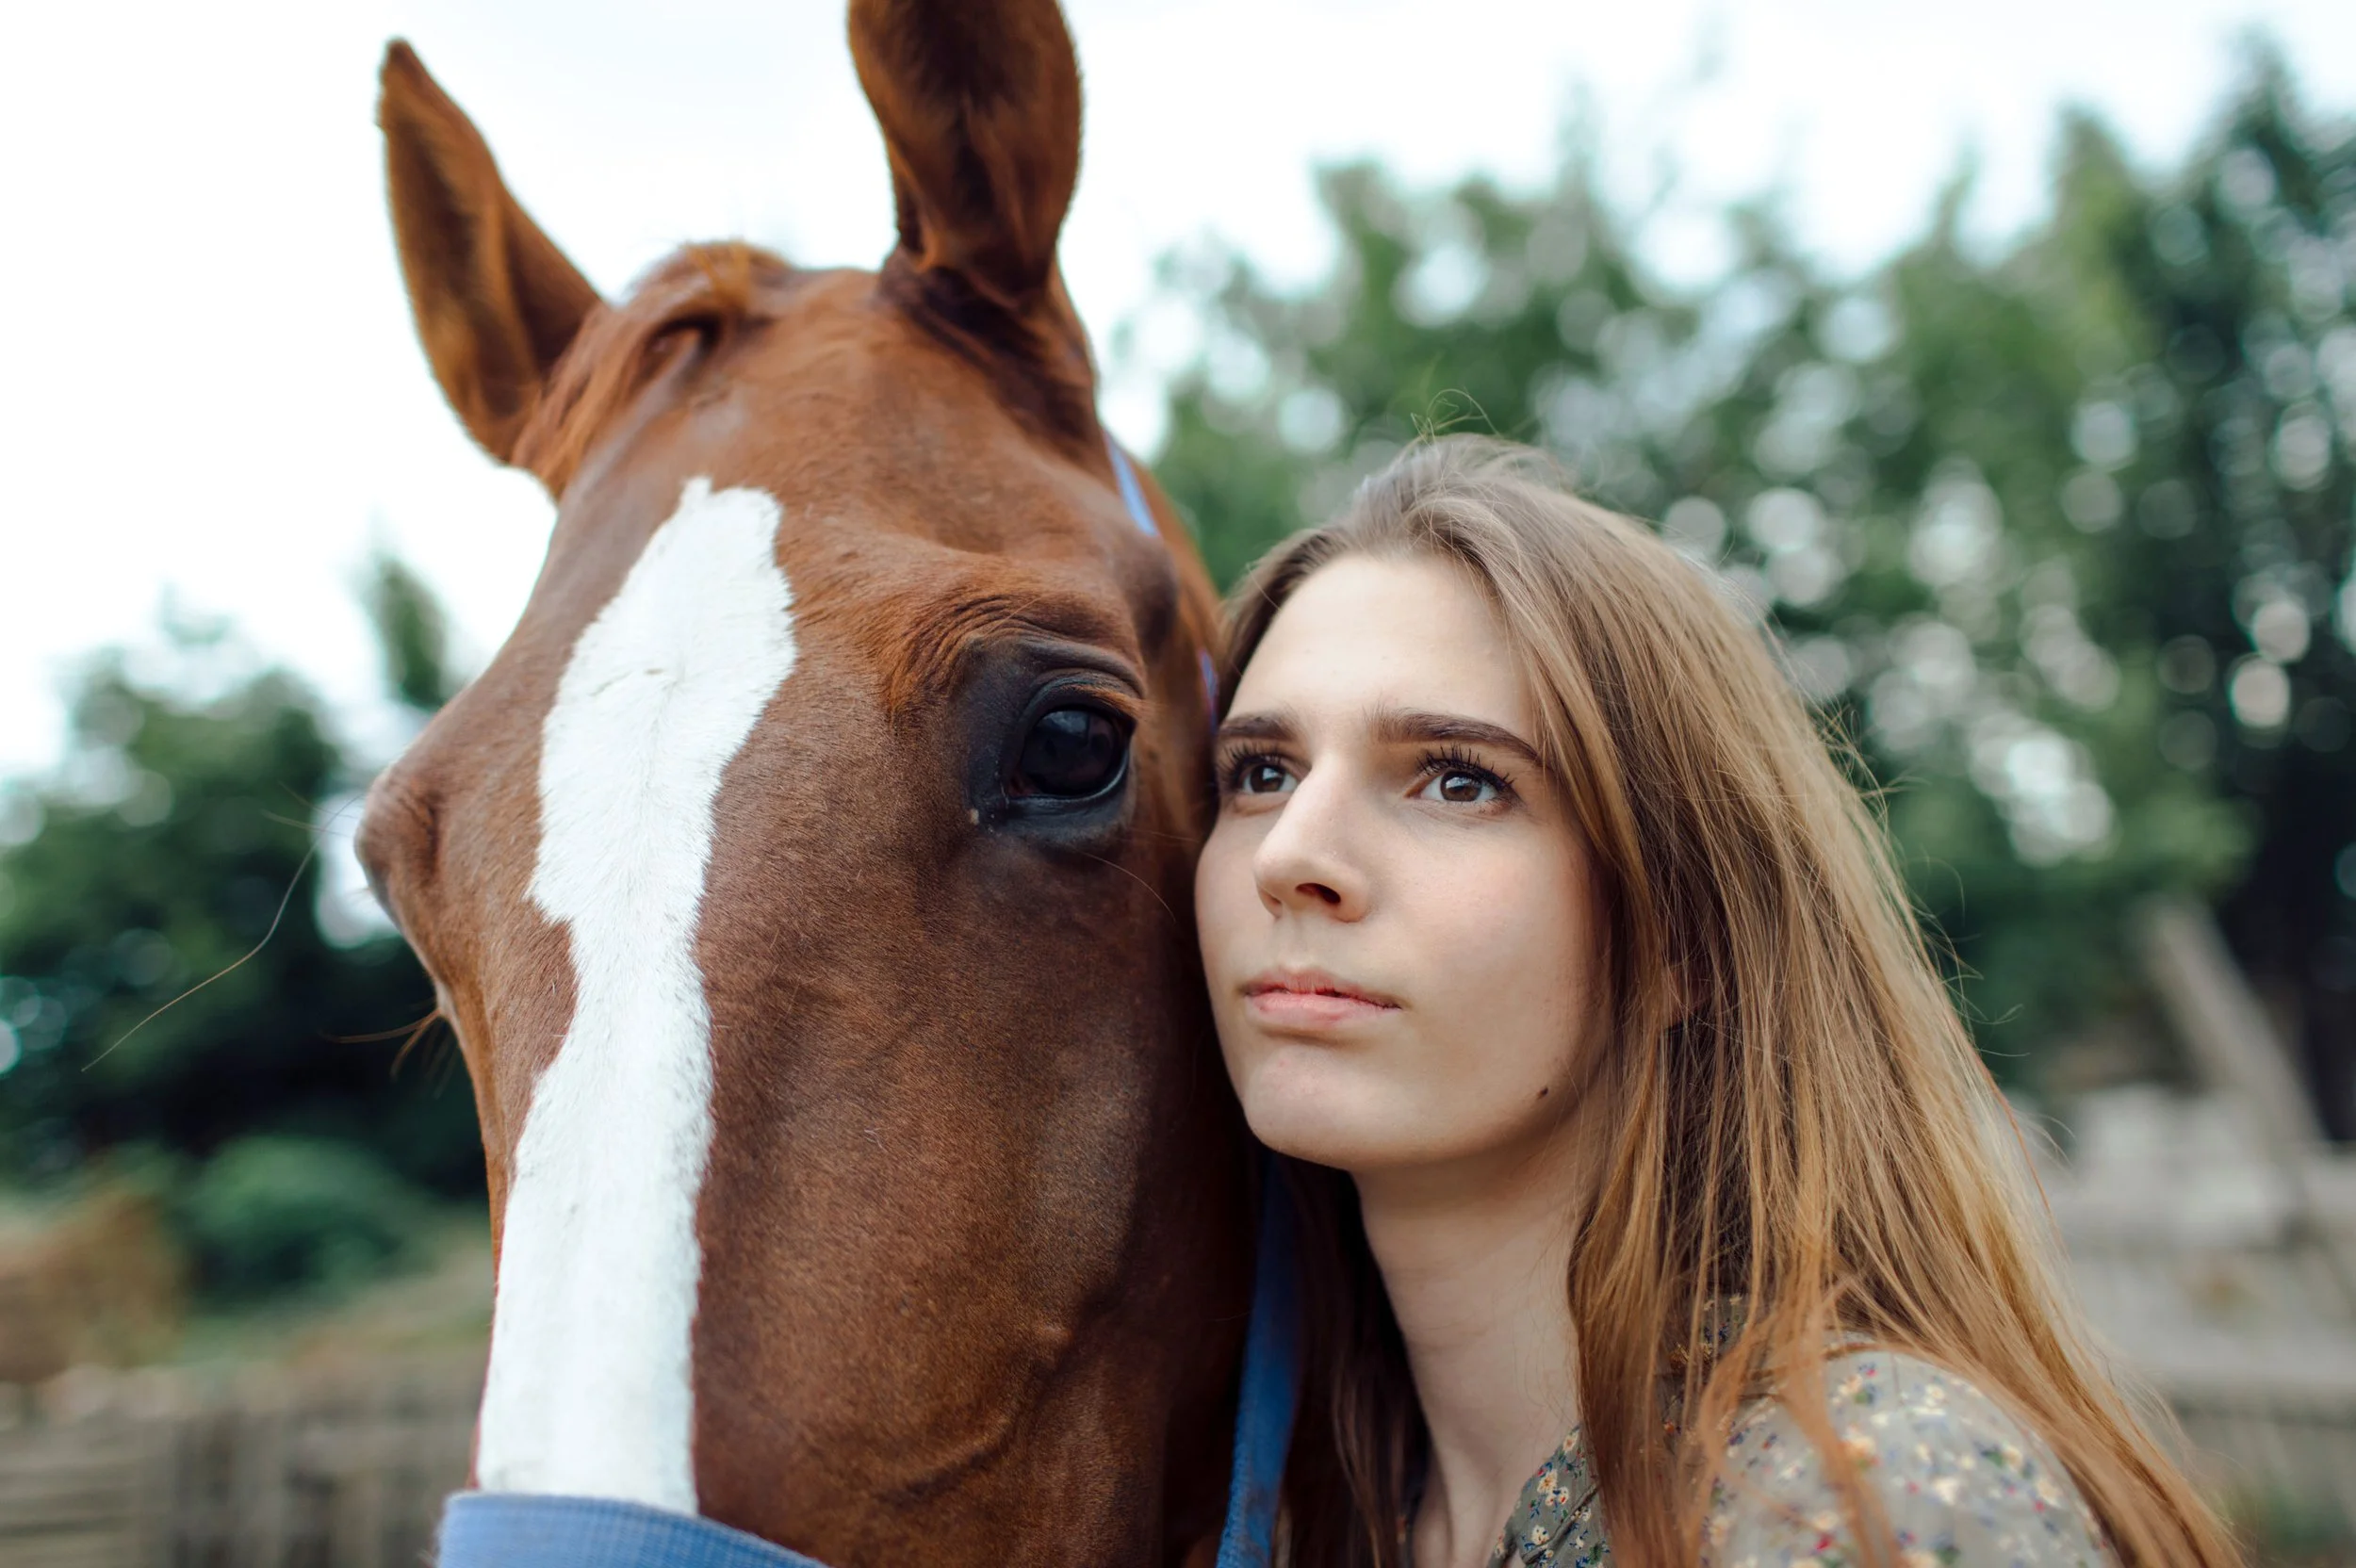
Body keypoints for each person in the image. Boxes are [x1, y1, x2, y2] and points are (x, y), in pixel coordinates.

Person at [1193, 436, 2237, 1568]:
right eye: (1261, 772)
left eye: (1457, 778)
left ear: (1680, 936)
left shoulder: (1865, 1497)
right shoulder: (1273, 1508)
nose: (1288, 854)